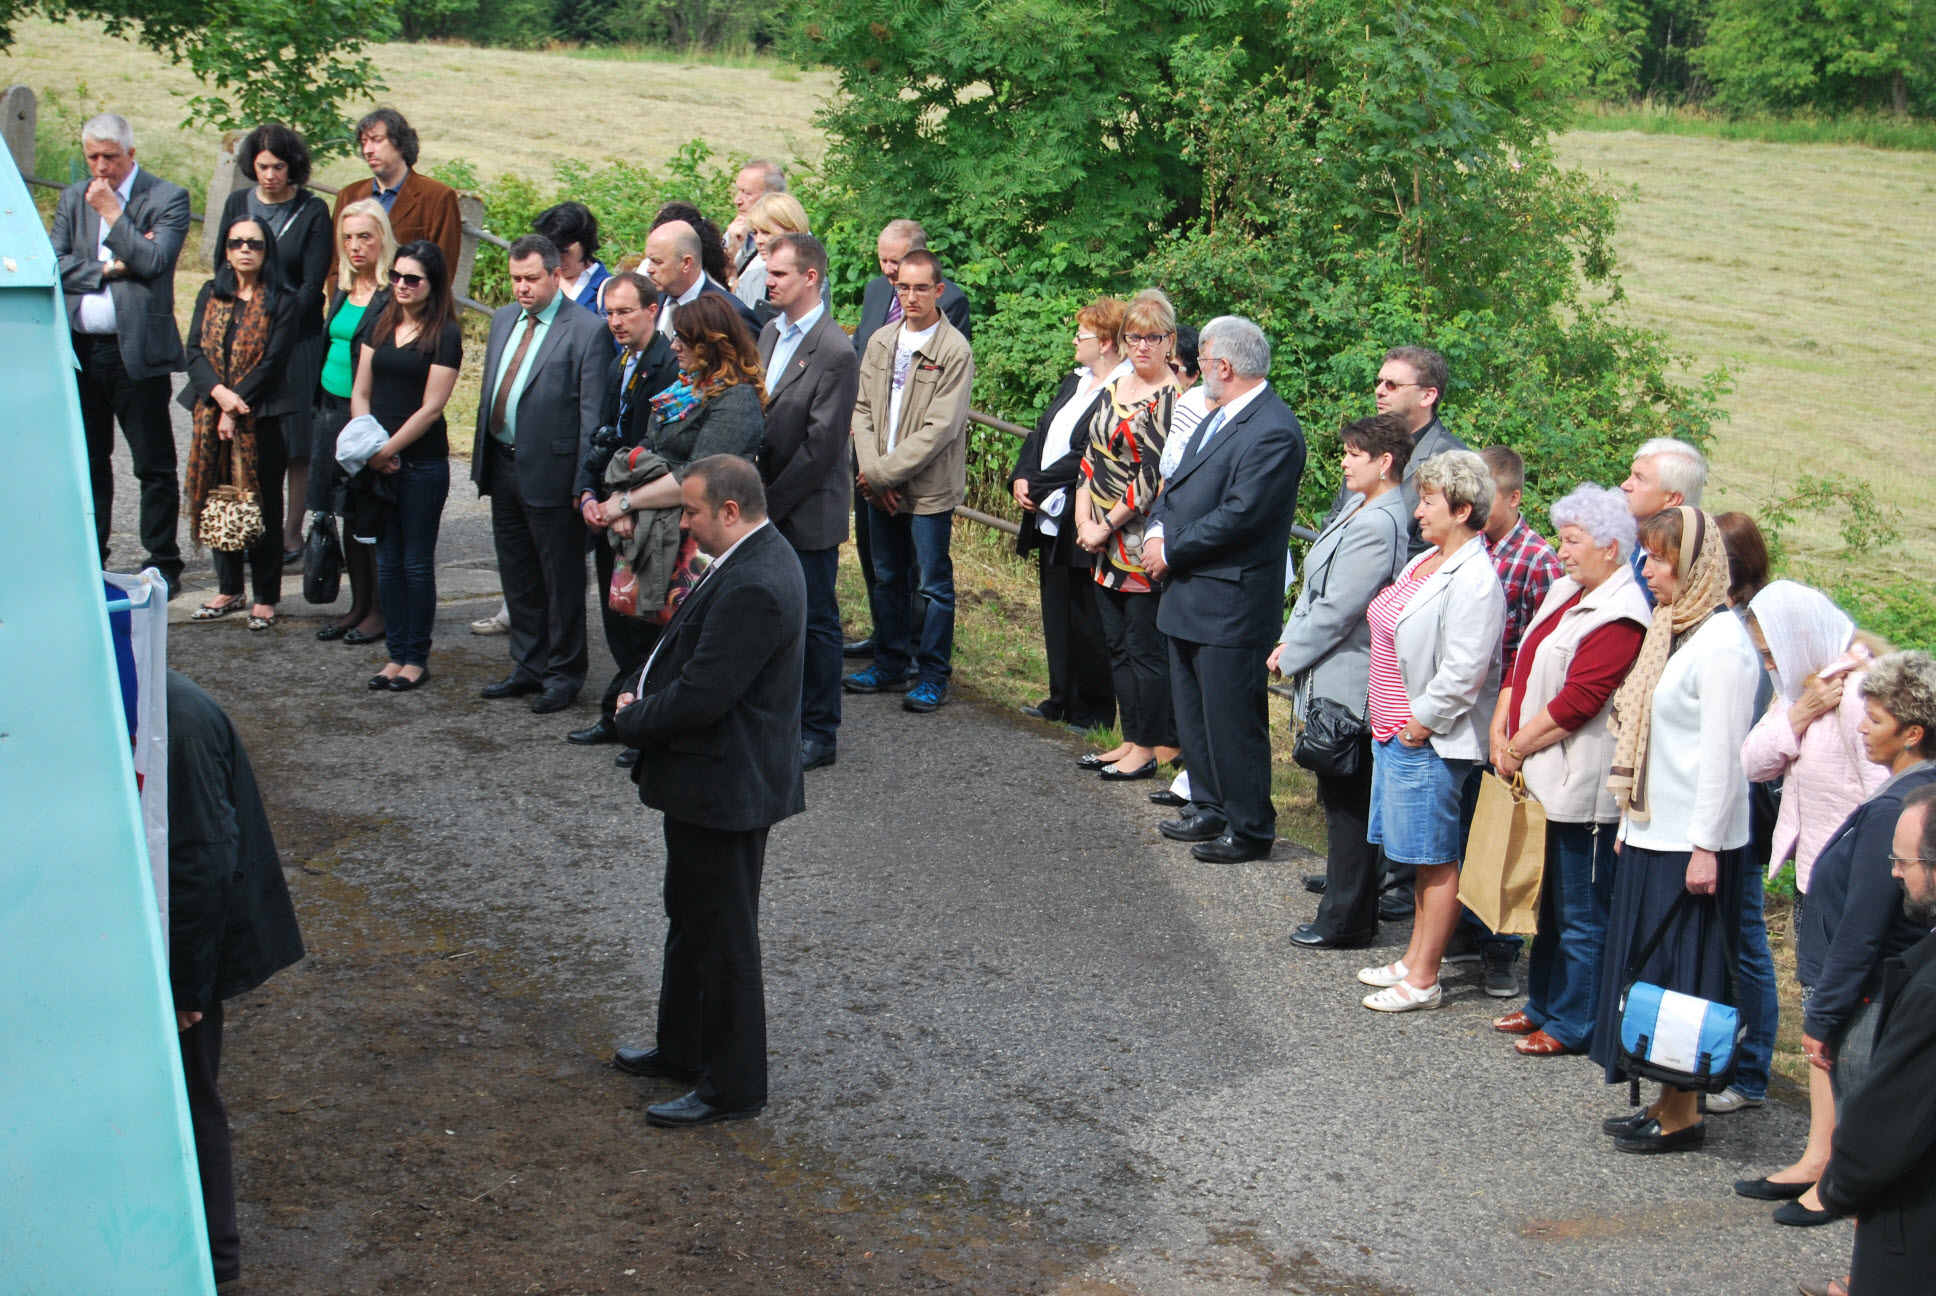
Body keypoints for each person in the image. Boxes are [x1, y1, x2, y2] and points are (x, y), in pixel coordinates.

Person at [611, 456, 805, 1128]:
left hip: (727, 784)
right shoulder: (749, 559)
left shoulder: (757, 581)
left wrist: (633, 718)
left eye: (690, 511)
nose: (682, 521)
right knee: (691, 920)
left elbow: (704, 694)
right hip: (711, 781)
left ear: (729, 510)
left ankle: (733, 1085)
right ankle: (682, 1048)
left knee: (722, 938)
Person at [1589, 506, 1759, 1153]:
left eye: (1659, 559)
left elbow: (1723, 760)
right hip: (1656, 833)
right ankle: (1663, 1098)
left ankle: (1684, 1114)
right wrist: (1633, 821)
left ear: (1694, 566)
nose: (1648, 570)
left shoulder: (1723, 647)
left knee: (1685, 978)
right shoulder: (1675, 630)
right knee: (1656, 974)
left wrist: (1706, 848)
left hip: (1694, 845)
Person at [1747, 651, 1936, 1224]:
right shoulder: (1908, 791)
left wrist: (1822, 1017)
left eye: (1874, 719)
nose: (1860, 727)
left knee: (1867, 1114)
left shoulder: (1895, 810)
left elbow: (1864, 926)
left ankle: (1862, 1238)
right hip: (1874, 983)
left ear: (1912, 733)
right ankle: (1824, 1173)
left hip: (1871, 991)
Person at [1730, 583, 1886, 1185]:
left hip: (1851, 882)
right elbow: (1753, 760)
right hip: (1816, 876)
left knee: (1837, 1020)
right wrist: (1798, 710)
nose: (1769, 666)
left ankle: (1838, 1162)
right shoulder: (1811, 688)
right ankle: (1822, 1154)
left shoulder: (1856, 697)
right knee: (1821, 1014)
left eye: (1771, 654)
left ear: (1798, 639)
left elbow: (1886, 797)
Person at [1486, 485, 1650, 1052]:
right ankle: (1542, 1004)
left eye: (1573, 541)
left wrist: (1515, 747)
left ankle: (1575, 1021)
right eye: (1561, 538)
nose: (1561, 550)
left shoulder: (1622, 615)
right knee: (1546, 903)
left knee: (1580, 910)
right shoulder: (1566, 589)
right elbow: (1523, 662)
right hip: (1539, 771)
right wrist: (1500, 724)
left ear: (1611, 547)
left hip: (1578, 784)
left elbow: (1579, 702)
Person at [1141, 316, 1306, 864]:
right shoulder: (1218, 417)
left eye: (1204, 362)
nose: (1197, 370)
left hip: (1231, 600)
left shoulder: (1273, 430)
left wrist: (1172, 548)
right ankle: (1209, 806)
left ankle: (1250, 826)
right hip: (1190, 591)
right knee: (1194, 712)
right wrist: (1159, 528)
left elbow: (1241, 516)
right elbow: (1176, 485)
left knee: (1233, 719)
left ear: (1226, 367)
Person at [164, 670, 304, 1291]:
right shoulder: (163, 704)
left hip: (183, 951)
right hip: (176, 939)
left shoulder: (177, 720)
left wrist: (186, 987)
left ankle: (216, 1267)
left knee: (191, 1098)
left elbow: (201, 858)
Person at [1350, 450, 1505, 1009]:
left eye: (1429, 501)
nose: (1418, 511)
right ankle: (1414, 958)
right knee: (1417, 857)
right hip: (1394, 732)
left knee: (1436, 858)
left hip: (1429, 740)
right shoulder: (1428, 561)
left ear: (1462, 509)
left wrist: (1418, 726)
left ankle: (1425, 980)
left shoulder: (1476, 580)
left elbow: (1466, 671)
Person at [1273, 413, 1414, 948]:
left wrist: (1290, 652)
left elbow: (1340, 607)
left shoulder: (1380, 522)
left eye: (1356, 454)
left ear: (1385, 462)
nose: (1345, 462)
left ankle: (1346, 921)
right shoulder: (1366, 506)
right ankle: (1348, 904)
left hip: (1350, 677)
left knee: (1349, 802)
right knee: (1343, 799)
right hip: (1333, 665)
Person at [51, 112, 192, 593]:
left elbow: (154, 262)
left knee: (152, 462)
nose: (100, 167)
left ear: (131, 155)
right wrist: (110, 267)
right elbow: (54, 266)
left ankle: (163, 561)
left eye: (110, 156)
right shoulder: (73, 199)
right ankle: (93, 557)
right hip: (81, 351)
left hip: (136, 351)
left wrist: (114, 213)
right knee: (89, 460)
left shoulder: (166, 197)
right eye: (92, 156)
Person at [472, 234, 611, 713]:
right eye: (515, 279)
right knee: (518, 573)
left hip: (554, 473)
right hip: (503, 462)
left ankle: (564, 674)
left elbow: (591, 417)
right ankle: (528, 665)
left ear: (556, 274)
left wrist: (583, 482)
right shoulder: (507, 318)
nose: (522, 289)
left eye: (531, 278)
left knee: (562, 579)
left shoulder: (587, 329)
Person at [1447, 445, 1565, 995]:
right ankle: (1466, 929)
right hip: (1464, 711)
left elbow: (1541, 652)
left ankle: (1501, 949)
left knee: (1503, 829)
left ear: (1513, 497)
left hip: (1508, 718)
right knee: (1467, 824)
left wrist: (1516, 728)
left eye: (1485, 494)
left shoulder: (1539, 560)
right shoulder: (1467, 547)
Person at [1813, 783, 1936, 1296]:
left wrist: (1842, 1185)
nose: (1894, 872)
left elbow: (1892, 1119)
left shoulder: (1930, 993)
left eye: (1902, 862)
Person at [842, 249, 975, 714]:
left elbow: (939, 429)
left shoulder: (953, 349)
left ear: (939, 290)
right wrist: (875, 473)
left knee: (933, 585)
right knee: (888, 576)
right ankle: (890, 662)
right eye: (904, 287)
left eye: (922, 287)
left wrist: (878, 474)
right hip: (879, 484)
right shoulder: (880, 341)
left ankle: (933, 674)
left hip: (928, 489)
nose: (912, 296)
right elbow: (861, 410)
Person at [567, 271, 682, 760]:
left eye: (625, 311)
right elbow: (604, 435)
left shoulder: (667, 365)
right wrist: (590, 493)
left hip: (642, 512)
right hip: (610, 505)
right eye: (609, 312)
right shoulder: (621, 362)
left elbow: (658, 449)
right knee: (615, 615)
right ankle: (619, 713)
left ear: (652, 311)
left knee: (645, 622)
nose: (614, 321)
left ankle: (639, 722)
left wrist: (624, 505)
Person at [755, 234, 859, 771]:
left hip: (804, 510)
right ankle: (778, 719)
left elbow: (822, 447)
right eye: (768, 273)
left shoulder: (836, 349)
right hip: (765, 502)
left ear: (810, 277)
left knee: (816, 620)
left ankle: (820, 730)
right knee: (772, 615)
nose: (768, 282)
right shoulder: (771, 332)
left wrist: (766, 506)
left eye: (778, 274)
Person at [1074, 289, 1181, 780]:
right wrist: (1082, 522)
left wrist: (1104, 525)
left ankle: (1151, 747)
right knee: (1115, 645)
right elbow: (1090, 454)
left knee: (1144, 651)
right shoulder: (1114, 388)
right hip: (1098, 539)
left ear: (1169, 343)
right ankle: (1130, 738)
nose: (1141, 346)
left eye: (1152, 338)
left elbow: (1152, 477)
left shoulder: (1171, 398)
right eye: (1133, 337)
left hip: (1137, 543)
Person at [1010, 298, 1128, 733]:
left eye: (1082, 334)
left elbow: (1090, 453)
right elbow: (1039, 433)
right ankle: (1060, 697)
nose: (1075, 340)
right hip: (1048, 513)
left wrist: (1038, 482)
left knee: (1087, 616)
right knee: (1056, 608)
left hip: (1085, 512)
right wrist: (1022, 477)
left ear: (1107, 342)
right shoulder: (1074, 381)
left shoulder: (1119, 390)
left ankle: (1093, 710)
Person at [349, 240, 461, 692]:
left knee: (416, 563)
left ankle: (416, 656)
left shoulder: (445, 334)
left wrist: (388, 449)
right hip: (379, 460)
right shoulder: (380, 324)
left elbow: (432, 408)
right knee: (387, 562)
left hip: (421, 464)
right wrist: (369, 447)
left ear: (432, 285)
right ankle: (395, 654)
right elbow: (361, 392)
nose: (401, 285)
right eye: (396, 276)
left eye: (412, 279)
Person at [219, 122, 333, 562]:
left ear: (293, 166)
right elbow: (221, 269)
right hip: (243, 340)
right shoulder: (237, 203)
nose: (270, 175)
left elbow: (312, 283)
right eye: (263, 166)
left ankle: (289, 534)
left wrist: (276, 325)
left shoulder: (312, 210)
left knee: (296, 441)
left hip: (297, 339)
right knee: (247, 435)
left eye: (279, 166)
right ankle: (250, 529)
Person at [181, 215, 299, 631]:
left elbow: (273, 362)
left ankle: (266, 595)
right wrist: (219, 395)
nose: (244, 249)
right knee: (219, 499)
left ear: (267, 250)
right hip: (211, 412)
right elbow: (193, 350)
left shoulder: (283, 298)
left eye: (254, 243)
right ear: (225, 250)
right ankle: (229, 587)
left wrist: (235, 407)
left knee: (261, 503)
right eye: (236, 243)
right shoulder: (211, 292)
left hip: (260, 417)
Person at [1708, 507, 1782, 1115]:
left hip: (1745, 810)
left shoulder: (1750, 637)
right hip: (1724, 806)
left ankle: (1754, 1071)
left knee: (1747, 939)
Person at [313, 199, 395, 647]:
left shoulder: (390, 292)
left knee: (368, 514)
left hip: (367, 412)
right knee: (344, 511)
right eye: (347, 237)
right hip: (330, 406)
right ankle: (358, 605)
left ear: (382, 237)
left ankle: (380, 610)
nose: (355, 245)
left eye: (364, 235)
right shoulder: (344, 288)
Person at [328, 108, 461, 281]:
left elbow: (443, 269)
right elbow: (335, 262)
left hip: (406, 304)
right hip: (353, 301)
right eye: (364, 142)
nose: (368, 149)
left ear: (400, 143)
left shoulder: (437, 197)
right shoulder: (349, 195)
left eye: (376, 140)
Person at [1618, 437, 1707, 607]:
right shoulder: (1627, 538)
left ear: (1672, 498)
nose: (1625, 485)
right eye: (1630, 475)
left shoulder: (1683, 566)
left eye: (1639, 479)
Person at [642, 218, 761, 339]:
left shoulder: (730, 314)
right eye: (649, 260)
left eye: (657, 262)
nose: (649, 269)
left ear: (686, 263)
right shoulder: (648, 304)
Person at [733, 191, 812, 318]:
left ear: (793, 233)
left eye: (766, 232)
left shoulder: (810, 280)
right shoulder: (749, 279)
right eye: (755, 232)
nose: (758, 240)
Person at [533, 201, 612, 319]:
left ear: (584, 243)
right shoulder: (542, 279)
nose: (557, 259)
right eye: (550, 251)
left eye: (565, 251)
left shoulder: (607, 289)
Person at [725, 158, 786, 278]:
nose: (737, 200)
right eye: (738, 191)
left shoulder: (790, 241)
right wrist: (730, 254)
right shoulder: (736, 230)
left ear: (771, 196)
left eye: (747, 193)